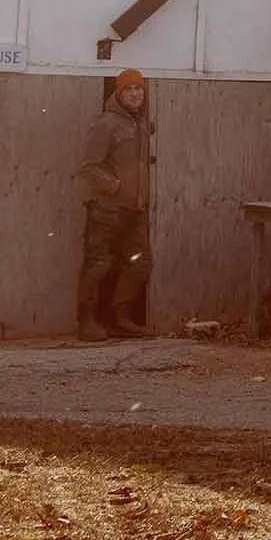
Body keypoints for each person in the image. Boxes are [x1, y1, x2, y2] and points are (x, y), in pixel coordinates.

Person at [77, 67, 153, 341]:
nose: (135, 94)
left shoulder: (141, 124)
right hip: (107, 210)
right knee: (98, 264)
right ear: (119, 95)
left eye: (139, 89)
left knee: (140, 262)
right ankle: (87, 323)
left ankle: (120, 319)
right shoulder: (106, 123)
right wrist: (115, 188)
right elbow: (90, 167)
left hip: (135, 210)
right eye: (129, 90)